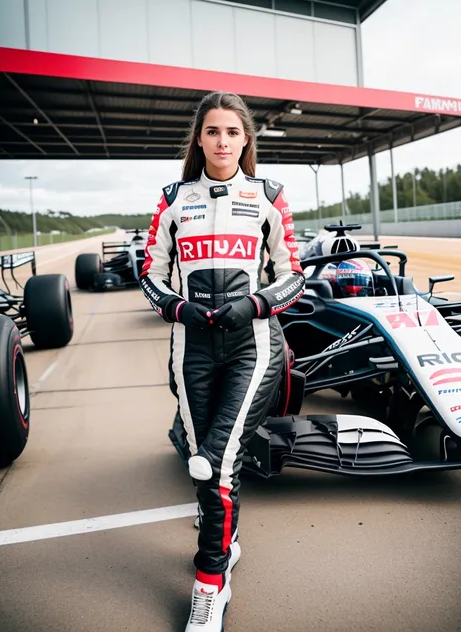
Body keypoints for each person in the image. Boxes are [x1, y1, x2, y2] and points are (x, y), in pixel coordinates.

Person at [139, 91, 305, 631]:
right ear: (199, 139)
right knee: (207, 463)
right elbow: (149, 275)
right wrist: (176, 306)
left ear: (246, 139)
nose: (222, 141)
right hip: (191, 347)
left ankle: (210, 581)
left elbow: (293, 275)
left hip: (253, 347)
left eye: (232, 132)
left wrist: (254, 303)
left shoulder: (268, 196)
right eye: (212, 131)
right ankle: (226, 543)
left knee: (213, 459)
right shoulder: (172, 199)